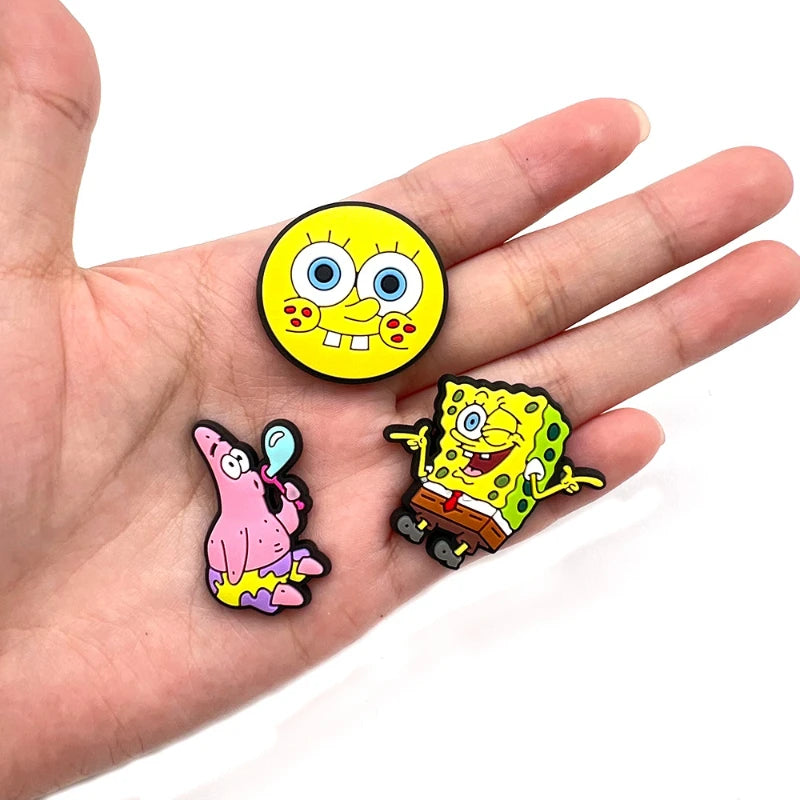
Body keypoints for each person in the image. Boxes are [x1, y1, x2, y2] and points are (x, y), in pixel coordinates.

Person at [1, 1, 797, 798]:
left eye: (383, 287)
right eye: (326, 277)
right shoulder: (252, 473)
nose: (353, 307)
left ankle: (364, 541)